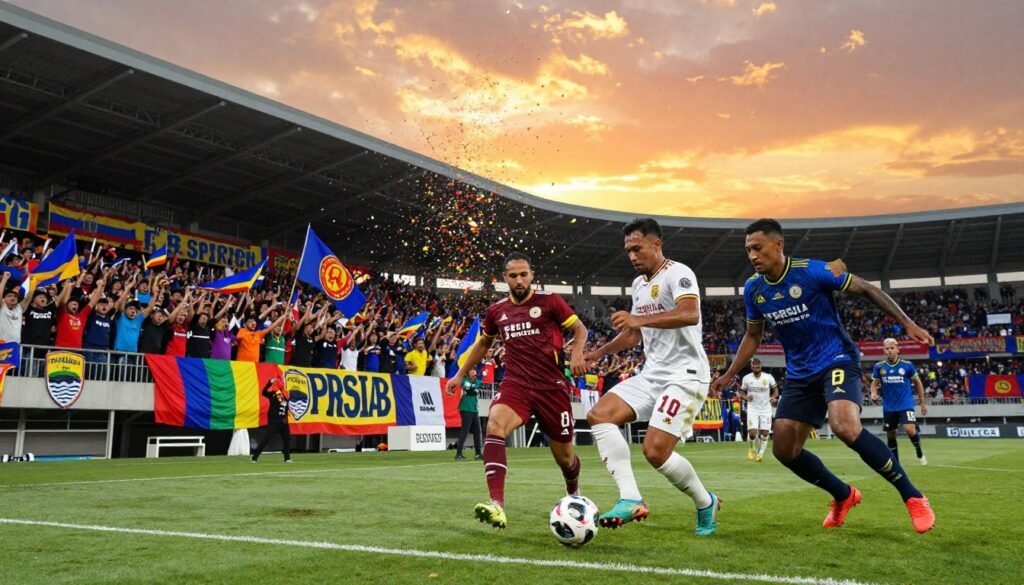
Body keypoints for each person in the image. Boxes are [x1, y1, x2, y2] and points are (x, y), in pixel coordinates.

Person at [711, 218, 935, 534]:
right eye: (748, 250)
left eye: (757, 248)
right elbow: (752, 336)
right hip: (801, 374)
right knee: (784, 450)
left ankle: (913, 496)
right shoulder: (754, 290)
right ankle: (843, 495)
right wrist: (729, 374)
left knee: (844, 425)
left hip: (837, 359)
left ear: (778, 245)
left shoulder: (814, 270)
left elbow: (867, 288)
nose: (752, 256)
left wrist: (908, 324)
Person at [584, 218, 719, 536]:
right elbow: (633, 336)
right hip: (652, 374)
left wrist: (637, 317)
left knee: (655, 451)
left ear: (656, 244)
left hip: (686, 374)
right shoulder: (639, 285)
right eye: (628, 250)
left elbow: (690, 314)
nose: (632, 256)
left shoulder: (678, 273)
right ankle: (630, 498)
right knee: (599, 415)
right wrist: (599, 353)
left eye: (637, 248)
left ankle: (705, 502)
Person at [446, 251, 588, 529]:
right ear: (505, 279)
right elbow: (484, 345)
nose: (519, 280)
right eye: (513, 276)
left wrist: (579, 353)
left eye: (524, 274)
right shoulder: (497, 310)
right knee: (495, 425)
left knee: (565, 457)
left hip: (552, 388)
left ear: (532, 274)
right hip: (517, 385)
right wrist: (460, 373)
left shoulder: (550, 302)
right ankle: (496, 504)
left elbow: (580, 330)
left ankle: (575, 495)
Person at [870, 338, 928, 465]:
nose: (890, 350)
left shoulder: (907, 365)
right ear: (884, 350)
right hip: (889, 406)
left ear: (897, 349)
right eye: (887, 348)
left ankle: (919, 450)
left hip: (906, 404)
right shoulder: (879, 367)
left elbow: (918, 383)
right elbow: (874, 384)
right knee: (891, 435)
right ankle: (896, 463)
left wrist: (922, 402)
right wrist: (873, 393)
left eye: (892, 348)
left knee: (909, 429)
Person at [739, 358, 779, 462]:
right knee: (752, 433)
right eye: (754, 367)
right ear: (751, 367)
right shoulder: (747, 378)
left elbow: (775, 390)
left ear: (760, 366)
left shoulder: (768, 377)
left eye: (758, 367)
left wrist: (773, 397)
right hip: (753, 409)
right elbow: (741, 392)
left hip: (766, 409)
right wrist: (746, 397)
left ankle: (760, 454)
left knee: (765, 433)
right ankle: (752, 449)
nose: (756, 369)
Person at [251, 376, 292, 463]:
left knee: (287, 440)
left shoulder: (286, 394)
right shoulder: (273, 394)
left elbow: (285, 405)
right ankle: (254, 457)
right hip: (274, 422)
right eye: (283, 381)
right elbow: (264, 392)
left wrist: (287, 416)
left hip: (283, 421)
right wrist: (269, 383)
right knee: (266, 439)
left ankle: (287, 458)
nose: (284, 382)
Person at [454, 368, 483, 461]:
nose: (474, 373)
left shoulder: (477, 382)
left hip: (474, 409)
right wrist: (473, 388)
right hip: (465, 408)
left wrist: (472, 388)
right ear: (468, 373)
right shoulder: (464, 381)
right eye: (472, 371)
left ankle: (478, 453)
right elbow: (472, 391)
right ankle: (458, 453)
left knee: (477, 432)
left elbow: (474, 389)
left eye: (475, 372)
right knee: (465, 431)